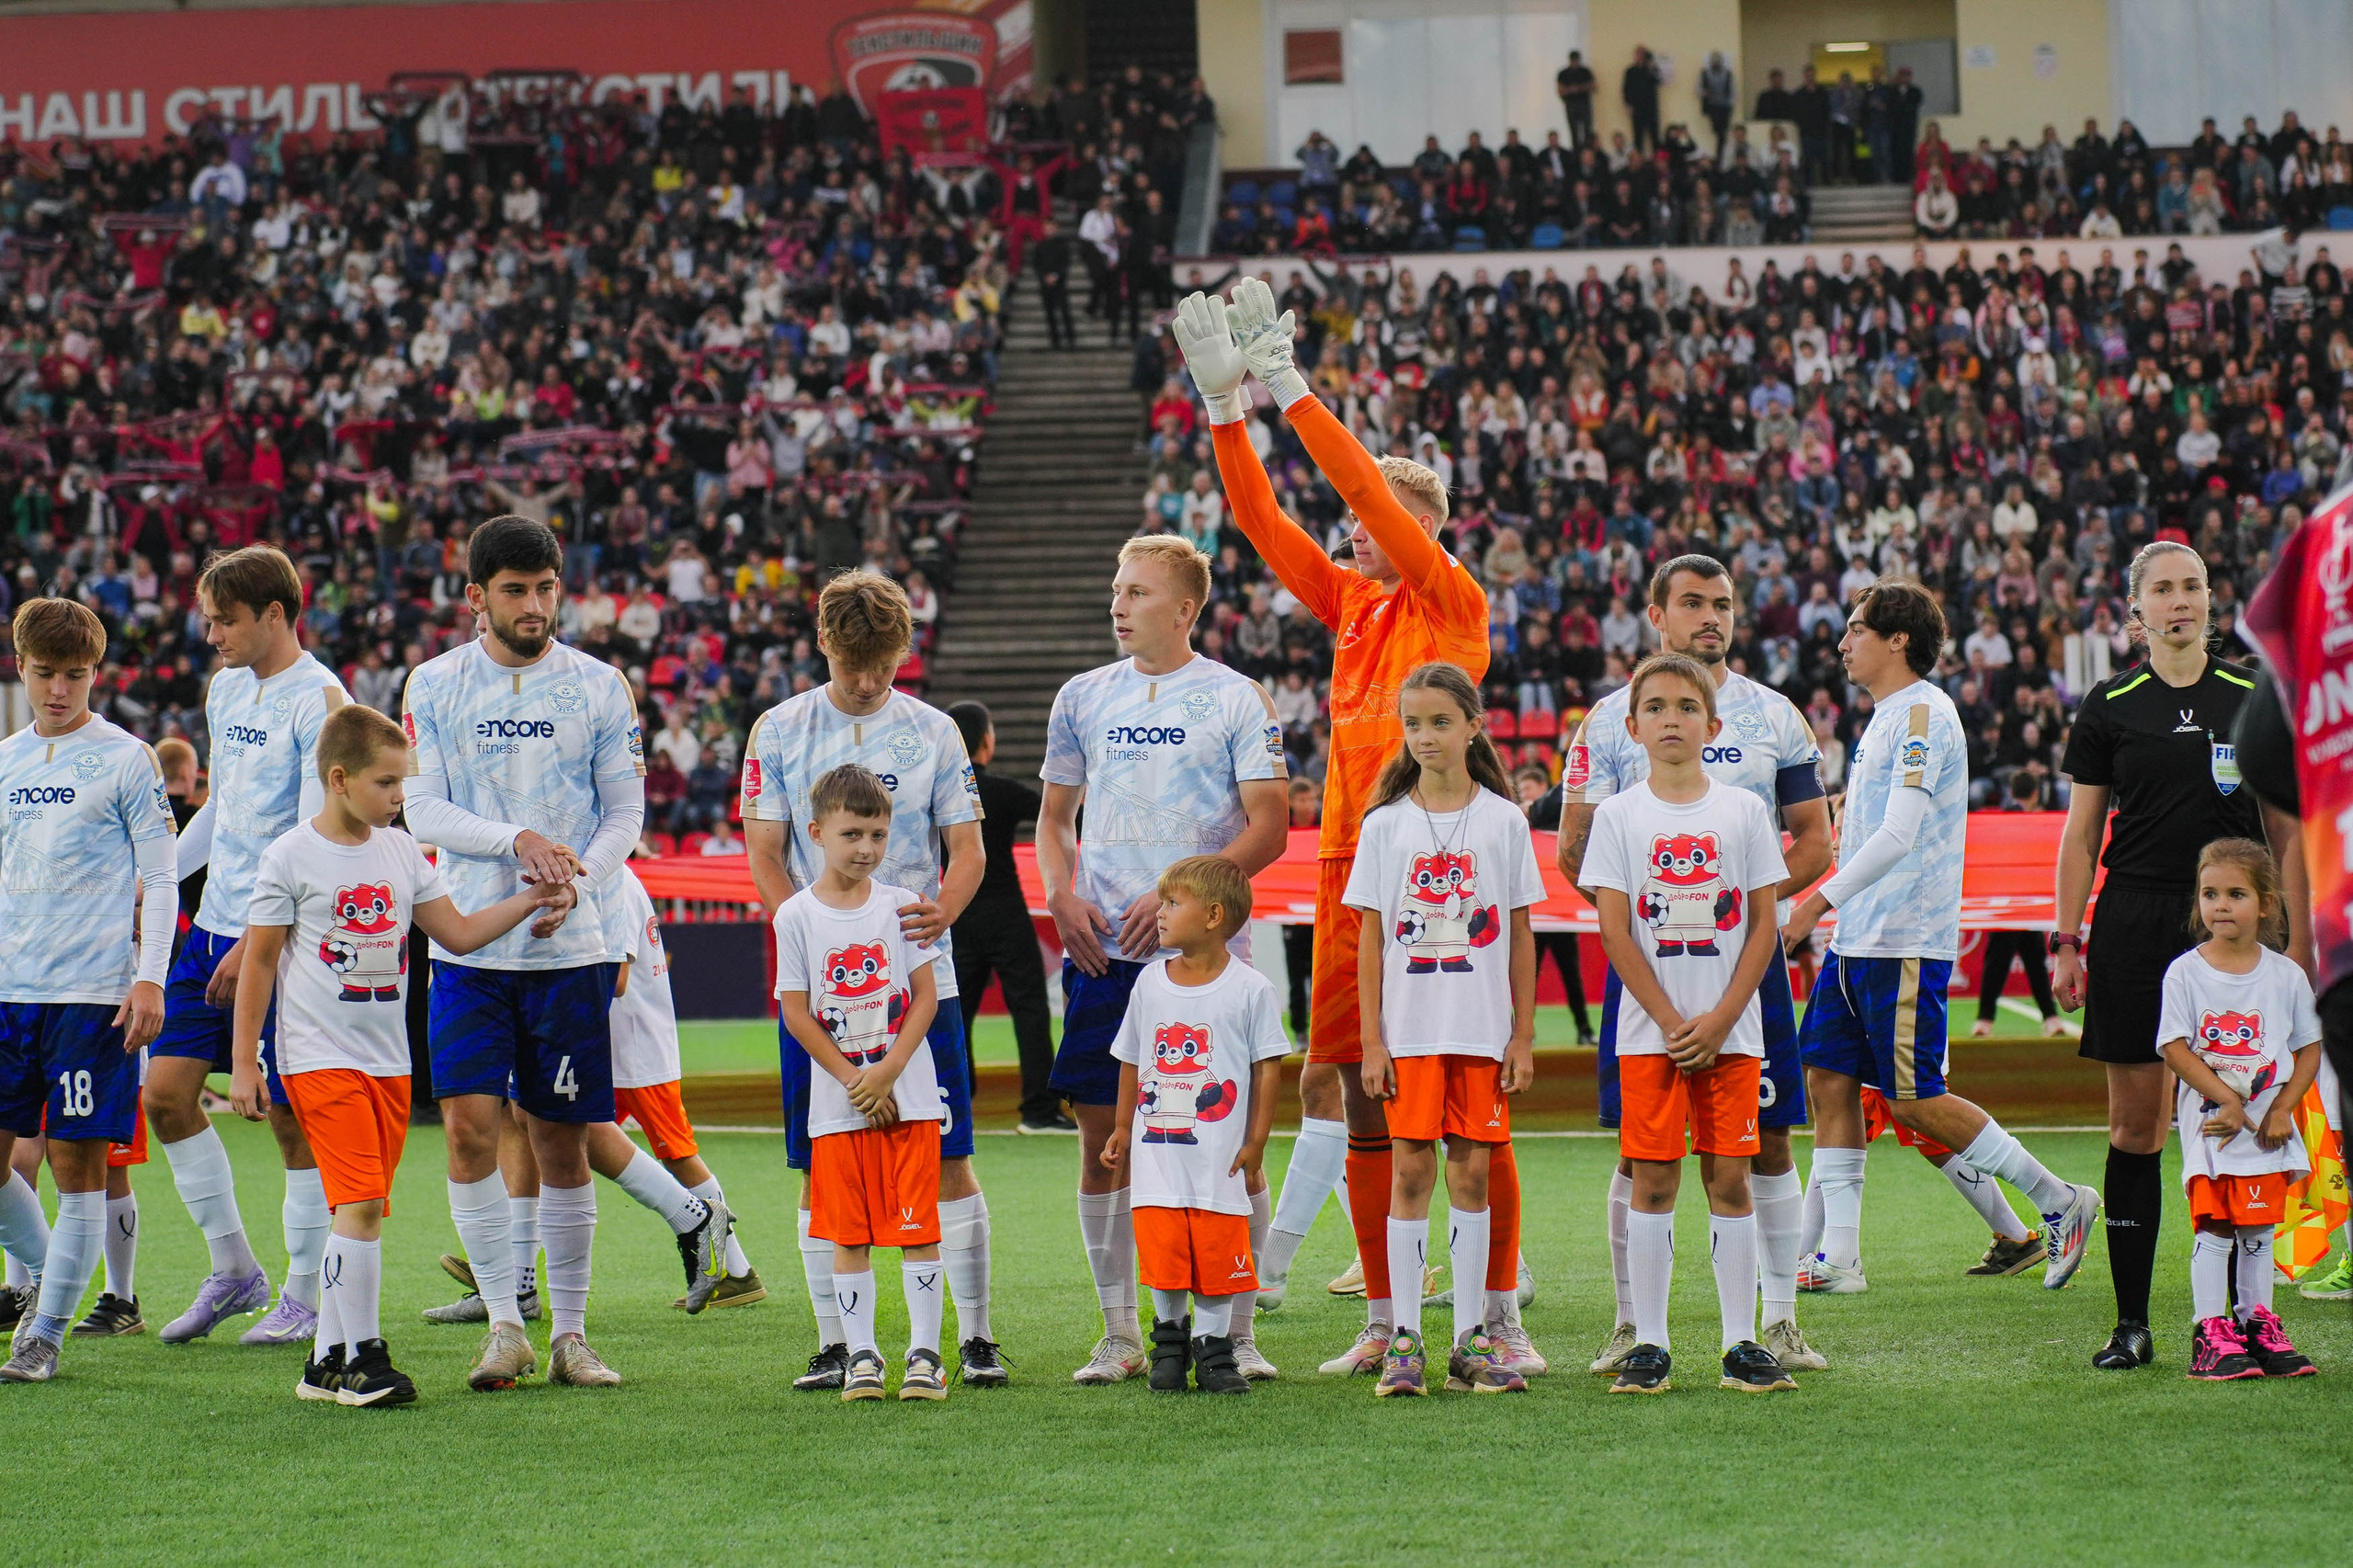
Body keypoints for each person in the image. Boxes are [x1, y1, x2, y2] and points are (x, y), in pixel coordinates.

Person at [1174, 283, 1534, 1382]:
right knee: (1361, 1096)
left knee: (1474, 1108)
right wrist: (1225, 410)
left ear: (1416, 529)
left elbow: (1364, 496)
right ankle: (1386, 1310)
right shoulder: (1353, 603)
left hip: (1452, 865)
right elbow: (1259, 523)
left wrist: (1291, 391)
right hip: (1352, 864)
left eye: (1371, 521)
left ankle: (1500, 1309)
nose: (1350, 535)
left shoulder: (1449, 599)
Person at [402, 515, 679, 1392]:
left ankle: (572, 1335)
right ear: (476, 596)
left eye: (546, 588)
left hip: (572, 947)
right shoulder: (434, 684)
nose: (535, 605)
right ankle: (502, 1328)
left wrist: (578, 883)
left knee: (562, 1142)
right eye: (516, 590)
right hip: (471, 945)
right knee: (469, 1128)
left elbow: (623, 814)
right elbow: (423, 812)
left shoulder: (601, 687)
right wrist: (520, 841)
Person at [230, 703, 566, 1405]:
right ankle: (365, 1359)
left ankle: (322, 1365)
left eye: (404, 784)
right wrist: (242, 1063)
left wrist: (532, 896)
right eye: (388, 784)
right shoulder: (290, 855)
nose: (400, 798)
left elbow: (460, 933)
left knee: (362, 1207)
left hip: (387, 1060)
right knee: (358, 1204)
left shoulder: (402, 851)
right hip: (318, 1056)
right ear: (340, 778)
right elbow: (257, 964)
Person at [1782, 581, 2101, 1303]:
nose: (1842, 643)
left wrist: (1811, 905)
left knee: (1917, 1101)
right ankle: (1838, 1258)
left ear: (1899, 639)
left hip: (1900, 937)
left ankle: (2057, 1200)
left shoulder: (1924, 712)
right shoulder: (1888, 717)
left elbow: (1899, 836)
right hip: (1858, 940)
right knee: (1828, 1082)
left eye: (1857, 628)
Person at [1559, 557, 1832, 1377]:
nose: (1710, 617)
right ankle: (1631, 1325)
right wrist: (1647, 910)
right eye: (1692, 603)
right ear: (1656, 614)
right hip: (1651, 979)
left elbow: (1815, 839)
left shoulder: (1776, 715)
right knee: (1640, 1157)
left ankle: (1774, 1323)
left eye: (1722, 604)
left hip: (1747, 980)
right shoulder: (1608, 721)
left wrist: (1757, 920)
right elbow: (1577, 847)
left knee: (1768, 1142)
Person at [1039, 534, 1289, 1384]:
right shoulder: (1081, 698)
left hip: (1210, 964)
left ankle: (1239, 1331)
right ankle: (1119, 1334)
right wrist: (1059, 893)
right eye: (1117, 588)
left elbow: (1269, 823)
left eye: (1139, 592)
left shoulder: (1235, 699)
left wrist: (1184, 893)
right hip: (1106, 959)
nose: (1119, 603)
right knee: (1103, 1140)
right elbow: (1052, 819)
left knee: (1225, 1146)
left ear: (1185, 609)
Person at [742, 570, 1000, 1391]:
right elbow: (764, 852)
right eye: (854, 661)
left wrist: (942, 919)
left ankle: (975, 1337)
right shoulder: (777, 730)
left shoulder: (934, 733)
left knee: (948, 1154)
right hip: (824, 1002)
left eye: (883, 661)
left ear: (904, 649)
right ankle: (835, 1344)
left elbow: (968, 851)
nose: (867, 679)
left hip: (921, 991)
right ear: (823, 642)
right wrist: (813, 949)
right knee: (826, 1162)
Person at [2052, 540, 2269, 1372]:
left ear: (2212, 602)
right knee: (2135, 1127)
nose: (2180, 602)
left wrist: (2294, 933)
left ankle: (2249, 1318)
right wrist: (2066, 940)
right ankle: (2132, 1323)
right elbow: (2081, 836)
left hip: (2237, 926)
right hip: (2135, 922)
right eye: (2163, 591)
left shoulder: (2255, 696)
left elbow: (2282, 825)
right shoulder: (2111, 704)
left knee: (2243, 1122)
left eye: (2193, 588)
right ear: (2136, 612)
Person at [148, 546, 348, 1347]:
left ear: (275, 614)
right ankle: (234, 1270)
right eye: (206, 619)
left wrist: (261, 941)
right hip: (214, 929)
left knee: (289, 1118)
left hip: (285, 938)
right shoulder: (225, 689)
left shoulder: (322, 701)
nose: (211, 635)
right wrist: (158, 875)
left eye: (224, 619)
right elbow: (224, 811)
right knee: (165, 1095)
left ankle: (303, 1294)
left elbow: (311, 838)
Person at [1582, 653, 1796, 1395]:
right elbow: (1615, 932)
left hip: (1733, 1036)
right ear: (1634, 725)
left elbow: (1765, 924)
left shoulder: (1741, 812)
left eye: (1684, 706)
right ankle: (1651, 1343)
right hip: (1653, 1037)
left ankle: (1743, 1341)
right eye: (1657, 707)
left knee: (1730, 1179)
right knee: (1652, 1180)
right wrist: (1676, 1022)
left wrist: (1723, 1017)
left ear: (1712, 724)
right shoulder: (1618, 815)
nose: (1671, 719)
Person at [422, 862, 758, 1324]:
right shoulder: (549, 869)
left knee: (618, 1141)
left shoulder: (608, 877)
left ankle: (712, 1238)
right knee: (524, 1122)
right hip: (577, 1028)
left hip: (626, 1042)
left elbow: (615, 979)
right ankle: (517, 1279)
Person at [1344, 663, 1539, 1397]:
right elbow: (1370, 940)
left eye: (1441, 722)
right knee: (1410, 1172)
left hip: (1483, 1034)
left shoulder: (1504, 820)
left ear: (1473, 725)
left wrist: (1520, 1036)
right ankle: (1405, 1339)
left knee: (1472, 1172)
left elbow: (1520, 936)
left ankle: (1470, 1337)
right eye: (1414, 725)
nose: (1426, 737)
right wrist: (1372, 1040)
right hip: (1410, 1033)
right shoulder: (1386, 824)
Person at [0, 599, 176, 1382]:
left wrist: (150, 977)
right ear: (22, 669)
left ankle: (44, 1334)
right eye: (46, 674)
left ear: (96, 674)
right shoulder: (5, 760)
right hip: (9, 990)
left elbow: (163, 874)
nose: (60, 690)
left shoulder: (128, 759)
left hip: (90, 994)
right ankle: (47, 1283)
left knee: (77, 1167)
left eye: (75, 675)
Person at [773, 765, 950, 1402]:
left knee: (919, 1230)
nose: (866, 849)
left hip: (911, 1099)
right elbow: (797, 1011)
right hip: (840, 1105)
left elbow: (926, 998)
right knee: (849, 1234)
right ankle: (863, 1356)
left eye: (877, 834)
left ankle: (925, 1356)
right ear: (817, 832)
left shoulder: (903, 907)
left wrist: (890, 1073)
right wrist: (856, 1081)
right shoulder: (794, 916)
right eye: (852, 834)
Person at [1101, 855, 1288, 1395]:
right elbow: (1131, 1058)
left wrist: (1255, 1140)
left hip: (1219, 1161)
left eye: (1170, 903)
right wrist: (1120, 1126)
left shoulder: (1251, 988)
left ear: (1212, 915)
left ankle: (1214, 1350)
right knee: (1166, 1252)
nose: (1157, 913)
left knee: (1213, 1252)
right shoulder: (1149, 984)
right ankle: (1170, 1344)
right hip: (1158, 1155)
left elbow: (1267, 1067)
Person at [2155, 838, 2322, 1380]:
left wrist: (2283, 1111)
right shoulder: (2185, 972)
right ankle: (2210, 1333)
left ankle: (2257, 1324)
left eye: (2235, 894)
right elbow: (2175, 1047)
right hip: (2214, 1131)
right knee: (2215, 1228)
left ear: (2267, 904)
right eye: (2209, 894)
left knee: (2258, 1231)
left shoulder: (2286, 976)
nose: (2220, 905)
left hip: (2267, 1133)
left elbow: (2308, 1049)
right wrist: (2226, 1097)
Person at [945, 701, 1063, 1132]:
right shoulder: (1003, 792)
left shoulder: (937, 795)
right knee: (1029, 1009)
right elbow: (1060, 816)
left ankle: (955, 1108)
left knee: (955, 1013)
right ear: (987, 743)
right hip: (1007, 913)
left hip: (954, 912)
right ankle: (1038, 1110)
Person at [1623, 47, 1662, 155]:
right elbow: (1626, 89)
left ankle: (1658, 161)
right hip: (1636, 108)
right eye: (1638, 54)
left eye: (1642, 54)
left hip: (1651, 108)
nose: (1640, 56)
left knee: (1655, 136)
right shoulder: (1630, 71)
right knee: (1638, 137)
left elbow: (1658, 81)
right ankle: (1638, 160)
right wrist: (1628, 105)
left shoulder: (1651, 68)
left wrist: (1651, 68)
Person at [1556, 51, 1596, 149]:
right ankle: (1576, 153)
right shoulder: (1563, 73)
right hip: (1571, 105)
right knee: (1574, 132)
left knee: (1587, 130)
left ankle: (1588, 150)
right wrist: (1571, 90)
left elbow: (1593, 86)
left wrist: (1579, 88)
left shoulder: (1585, 72)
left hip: (1584, 104)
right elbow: (1560, 90)